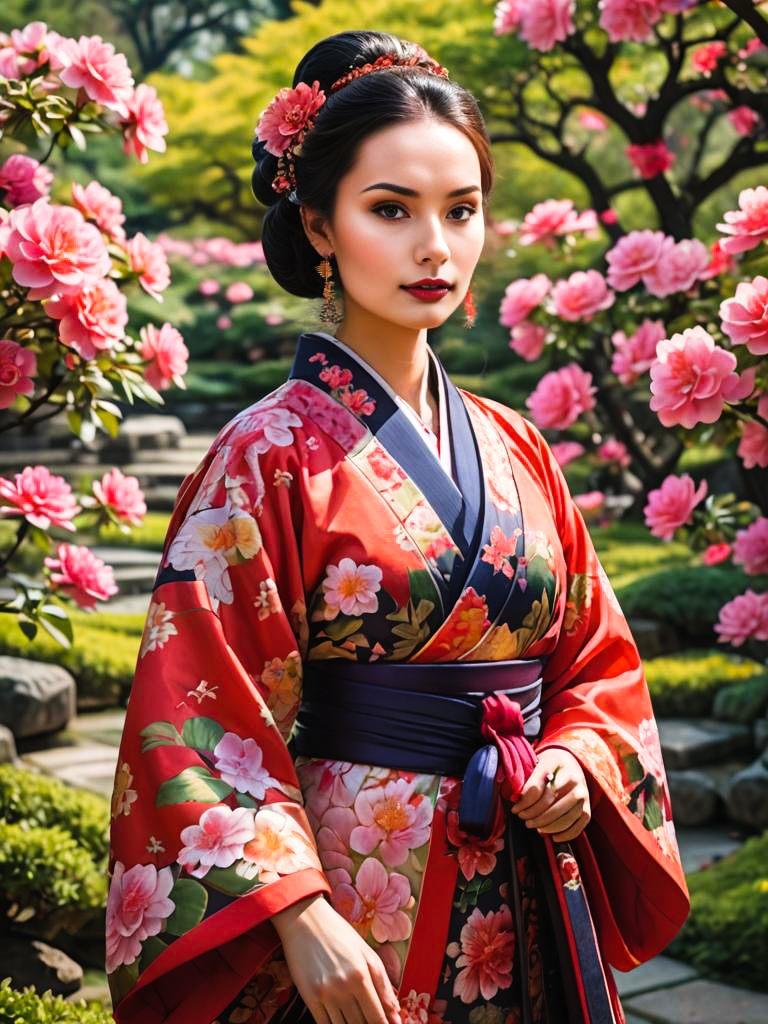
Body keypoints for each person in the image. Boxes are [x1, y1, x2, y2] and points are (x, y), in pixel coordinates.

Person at [107, 30, 689, 1024]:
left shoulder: (516, 445)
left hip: (526, 867)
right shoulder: (267, 454)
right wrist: (293, 909)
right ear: (320, 224)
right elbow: (202, 710)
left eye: (461, 211)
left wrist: (576, 759)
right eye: (391, 209)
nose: (435, 247)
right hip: (357, 882)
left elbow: (595, 663)